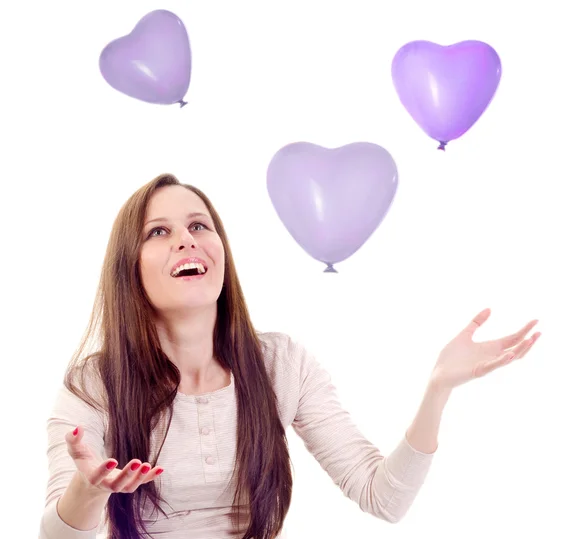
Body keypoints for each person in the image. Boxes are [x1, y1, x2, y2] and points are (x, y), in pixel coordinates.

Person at [38, 173, 541, 539]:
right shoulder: (95, 384)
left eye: (199, 225)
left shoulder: (281, 364)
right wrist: (89, 489)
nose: (187, 239)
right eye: (159, 232)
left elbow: (383, 498)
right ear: (130, 269)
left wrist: (438, 389)